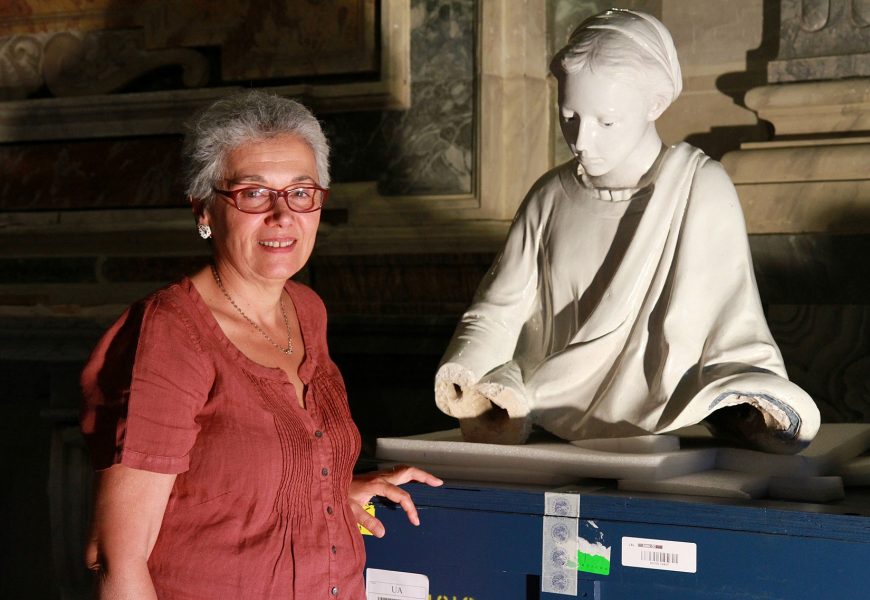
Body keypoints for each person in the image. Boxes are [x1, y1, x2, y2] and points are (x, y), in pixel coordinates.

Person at [80, 90, 442, 599]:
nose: (282, 215)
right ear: (204, 208)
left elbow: (246, 472)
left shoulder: (306, 309)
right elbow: (117, 558)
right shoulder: (171, 331)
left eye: (301, 191)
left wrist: (330, 494)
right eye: (253, 193)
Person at [434, 9, 820, 453]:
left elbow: (733, 327)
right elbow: (499, 310)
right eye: (569, 115)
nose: (581, 139)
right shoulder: (549, 196)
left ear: (654, 104)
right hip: (548, 404)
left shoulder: (698, 188)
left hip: (658, 407)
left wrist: (751, 397)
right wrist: (465, 370)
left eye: (606, 122)